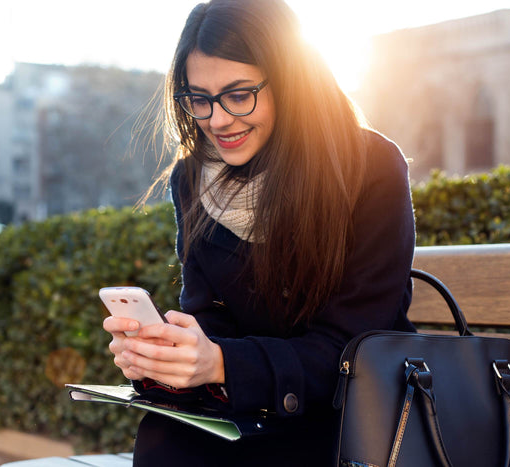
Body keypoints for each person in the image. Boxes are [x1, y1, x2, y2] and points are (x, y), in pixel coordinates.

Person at [103, 0, 416, 465]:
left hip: (351, 415)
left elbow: (354, 347)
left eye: (239, 93)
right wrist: (167, 358)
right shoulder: (192, 177)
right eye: (199, 98)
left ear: (290, 83)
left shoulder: (369, 167)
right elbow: (210, 316)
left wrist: (223, 363)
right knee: (164, 440)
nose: (218, 119)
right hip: (249, 409)